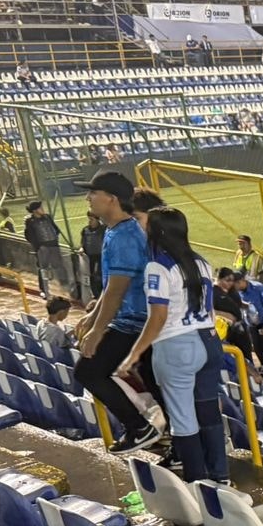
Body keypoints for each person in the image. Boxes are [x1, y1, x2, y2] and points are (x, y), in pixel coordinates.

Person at [118, 208, 225, 483]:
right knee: (209, 410)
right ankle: (221, 476)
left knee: (183, 420)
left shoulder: (157, 266)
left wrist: (134, 354)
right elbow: (211, 310)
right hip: (209, 340)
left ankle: (199, 483)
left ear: (158, 232)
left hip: (177, 345)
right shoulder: (201, 261)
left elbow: (159, 317)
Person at [74, 172, 161, 452]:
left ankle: (139, 428)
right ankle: (170, 439)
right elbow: (111, 285)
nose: (88, 198)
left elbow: (117, 289)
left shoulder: (124, 236)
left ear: (111, 199)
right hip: (133, 321)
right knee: (155, 383)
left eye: (93, 193)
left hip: (133, 323)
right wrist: (92, 315)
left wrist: (97, 331)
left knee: (88, 371)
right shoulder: (116, 230)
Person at [24, 200, 71, 299]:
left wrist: (55, 238)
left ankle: (65, 286)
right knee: (43, 269)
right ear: (35, 210)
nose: (43, 209)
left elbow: (55, 229)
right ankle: (44, 290)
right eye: (40, 208)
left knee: (58, 265)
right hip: (42, 248)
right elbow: (29, 236)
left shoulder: (47, 217)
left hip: (53, 245)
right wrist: (39, 247)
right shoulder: (30, 222)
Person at [79, 211, 106, 301]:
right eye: (89, 219)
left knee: (100, 274)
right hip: (90, 257)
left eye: (92, 219)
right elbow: (83, 242)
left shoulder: (103, 229)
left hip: (101, 255)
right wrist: (82, 248)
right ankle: (95, 294)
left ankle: (103, 292)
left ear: (97, 220)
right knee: (91, 275)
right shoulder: (85, 230)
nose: (90, 221)